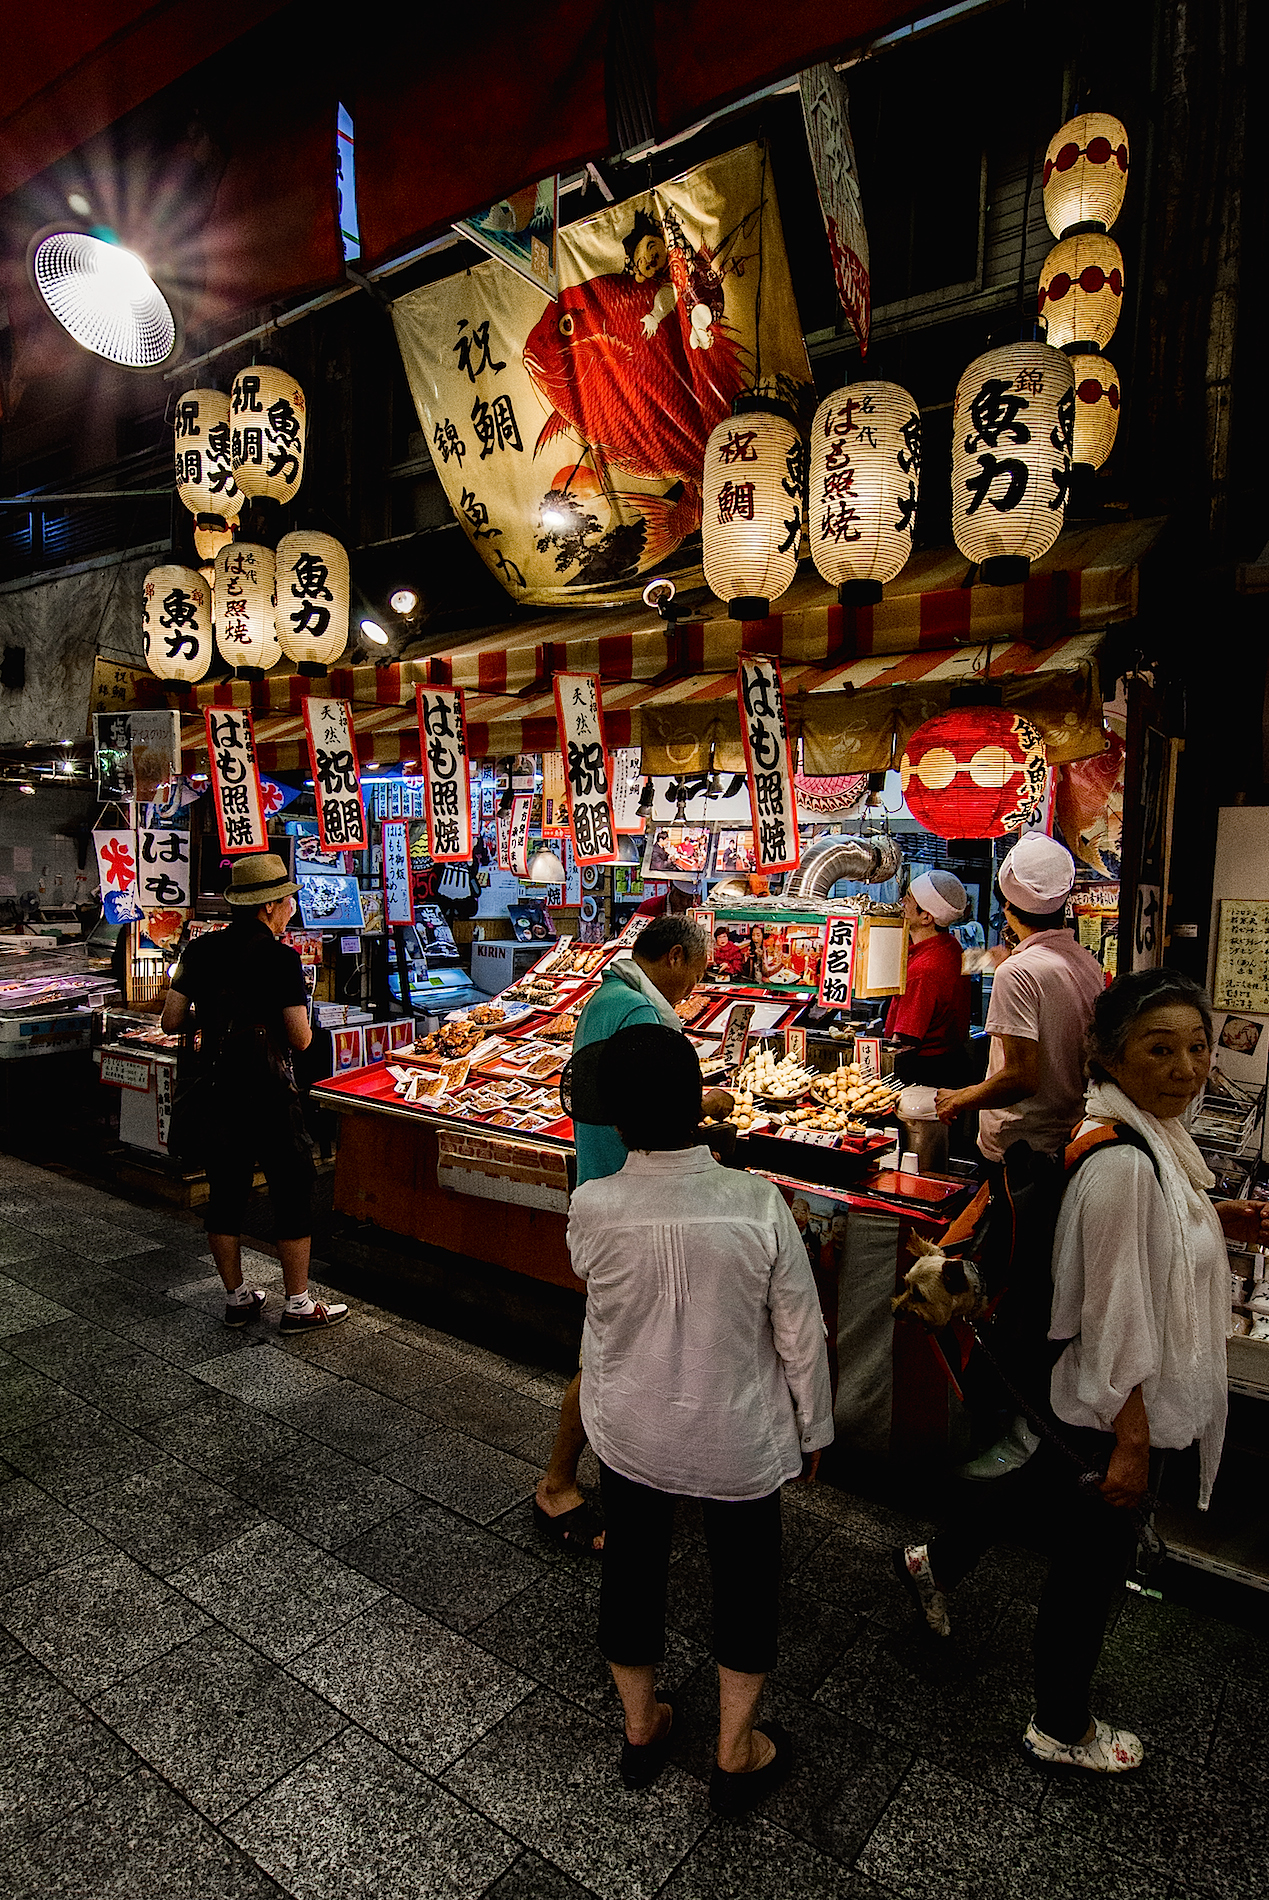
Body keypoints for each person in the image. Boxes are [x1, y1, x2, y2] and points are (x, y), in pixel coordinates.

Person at [897, 969, 1261, 1773]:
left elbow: (1142, 1242)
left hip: (1089, 1407)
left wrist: (1216, 1216)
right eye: (1158, 1048)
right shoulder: (1123, 1161)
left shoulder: (1147, 1136)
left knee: (1044, 1488)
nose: (1185, 1066)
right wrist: (1131, 1443)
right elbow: (1115, 1317)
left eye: (1198, 1047)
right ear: (1105, 1056)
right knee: (1086, 1570)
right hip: (1111, 1409)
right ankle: (1060, 1727)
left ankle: (937, 1559)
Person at [569, 1023, 833, 1812]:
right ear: (699, 1106)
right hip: (737, 1437)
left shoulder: (593, 1205)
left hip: (628, 1429)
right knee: (746, 1583)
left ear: (614, 1121)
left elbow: (599, 1294)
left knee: (632, 1571)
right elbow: (800, 1329)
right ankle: (734, 1749)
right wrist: (813, 1428)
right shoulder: (756, 1203)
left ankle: (641, 1727)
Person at [534, 915, 731, 1551]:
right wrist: (712, 1104)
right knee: (610, 1353)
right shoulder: (644, 1018)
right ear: (674, 956)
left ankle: (651, 1474)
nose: (691, 992)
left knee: (630, 1346)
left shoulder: (605, 997)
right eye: (694, 976)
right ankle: (558, 1484)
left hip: (603, 1185)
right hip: (634, 1197)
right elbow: (652, 1106)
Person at [161, 853, 348, 1335]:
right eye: (288, 902)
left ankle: (238, 1297)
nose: (291, 910)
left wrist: (222, 1021)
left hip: (219, 1088)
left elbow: (172, 1020)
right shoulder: (280, 959)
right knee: (291, 1189)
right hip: (269, 1092)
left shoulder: (199, 952)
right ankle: (299, 1304)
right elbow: (301, 1037)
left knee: (226, 1191)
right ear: (268, 908)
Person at [935, 834, 1103, 1155]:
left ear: (1008, 907)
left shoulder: (1018, 971)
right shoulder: (1086, 961)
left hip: (1021, 1148)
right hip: (1069, 1135)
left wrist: (960, 1098)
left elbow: (1022, 1078)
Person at [884, 870, 972, 1086]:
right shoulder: (950, 945)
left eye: (909, 898)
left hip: (925, 1072)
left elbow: (904, 1043)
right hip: (952, 1063)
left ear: (926, 917)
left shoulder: (924, 971)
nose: (902, 902)